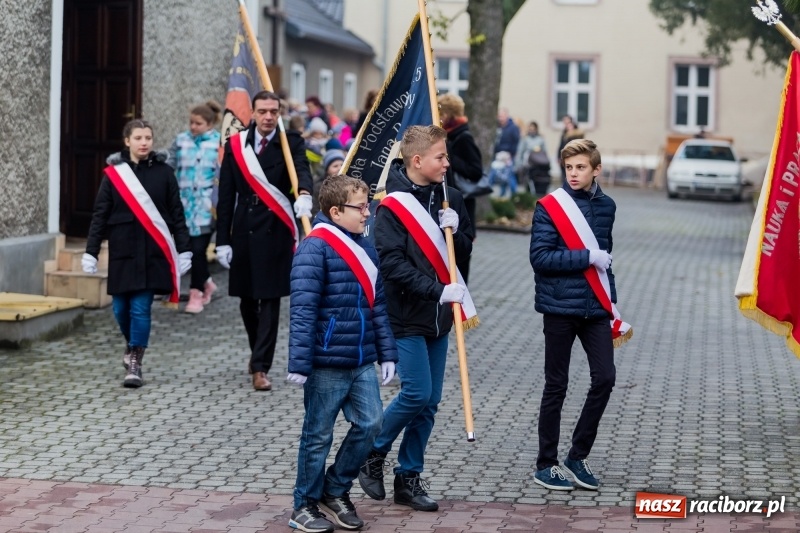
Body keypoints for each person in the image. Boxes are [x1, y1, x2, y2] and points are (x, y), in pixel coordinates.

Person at [358, 125, 474, 512]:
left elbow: (464, 253)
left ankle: (408, 475)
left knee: (431, 402)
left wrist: (458, 234)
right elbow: (391, 265)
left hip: (440, 315)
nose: (447, 162)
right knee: (416, 393)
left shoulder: (451, 197)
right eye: (440, 156)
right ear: (417, 161)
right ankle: (371, 450)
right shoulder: (390, 206)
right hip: (406, 313)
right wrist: (437, 290)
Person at [287, 174, 398, 533]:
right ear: (336, 211)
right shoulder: (314, 246)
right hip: (325, 360)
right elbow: (303, 308)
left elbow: (377, 305)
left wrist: (387, 352)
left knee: (371, 424)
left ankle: (334, 490)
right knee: (317, 434)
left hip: (362, 357)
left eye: (368, 205)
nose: (368, 213)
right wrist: (300, 362)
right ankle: (303, 504)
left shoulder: (365, 247)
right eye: (361, 207)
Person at [529, 139, 617, 491]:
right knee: (557, 385)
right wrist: (585, 257)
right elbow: (541, 258)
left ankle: (577, 456)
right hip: (560, 307)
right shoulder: (551, 206)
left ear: (596, 169)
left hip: (596, 308)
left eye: (581, 167)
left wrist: (613, 304)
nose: (574, 174)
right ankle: (546, 463)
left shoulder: (607, 206)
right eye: (569, 168)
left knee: (605, 378)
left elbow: (607, 261)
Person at [216, 90, 314, 392]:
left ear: (280, 113)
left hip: (277, 227)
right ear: (253, 114)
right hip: (244, 227)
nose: (269, 117)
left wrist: (306, 196)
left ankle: (261, 366)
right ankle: (257, 349)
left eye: (274, 111)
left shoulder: (290, 142)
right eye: (263, 111)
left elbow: (302, 171)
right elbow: (226, 195)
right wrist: (223, 240)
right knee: (247, 300)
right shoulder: (236, 145)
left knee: (270, 300)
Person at [82, 119, 192, 388]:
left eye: (148, 138)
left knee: (141, 308)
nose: (144, 142)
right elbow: (100, 216)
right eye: (138, 138)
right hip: (122, 250)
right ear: (127, 141)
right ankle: (132, 346)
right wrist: (91, 252)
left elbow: (177, 213)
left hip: (153, 251)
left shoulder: (165, 173)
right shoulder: (113, 175)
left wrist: (184, 248)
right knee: (121, 309)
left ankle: (135, 361)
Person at [167, 100, 222, 314]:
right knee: (186, 249)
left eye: (198, 123)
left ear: (209, 124)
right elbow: (169, 164)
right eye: (191, 123)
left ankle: (196, 293)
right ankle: (206, 282)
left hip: (208, 208)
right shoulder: (181, 141)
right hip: (183, 205)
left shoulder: (219, 144)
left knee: (198, 250)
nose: (193, 127)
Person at [439, 93, 483, 284]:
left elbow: (476, 171)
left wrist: (451, 158)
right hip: (454, 199)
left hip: (464, 203)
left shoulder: (463, 137)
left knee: (461, 259)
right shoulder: (447, 135)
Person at [515, 121, 551, 196]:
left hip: (539, 163)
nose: (531, 130)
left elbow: (545, 151)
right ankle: (530, 194)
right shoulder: (525, 139)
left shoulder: (540, 139)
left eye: (533, 129)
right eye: (530, 129)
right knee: (528, 180)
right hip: (528, 162)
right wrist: (518, 163)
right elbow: (520, 151)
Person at [312, 149, 345, 216]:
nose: (339, 168)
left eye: (342, 164)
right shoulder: (319, 187)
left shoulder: (350, 184)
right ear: (327, 170)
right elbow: (315, 209)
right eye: (335, 166)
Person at [557, 115, 584, 185]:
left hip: (572, 156)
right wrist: (558, 157)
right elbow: (561, 145)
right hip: (564, 156)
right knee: (564, 173)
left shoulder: (576, 134)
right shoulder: (564, 133)